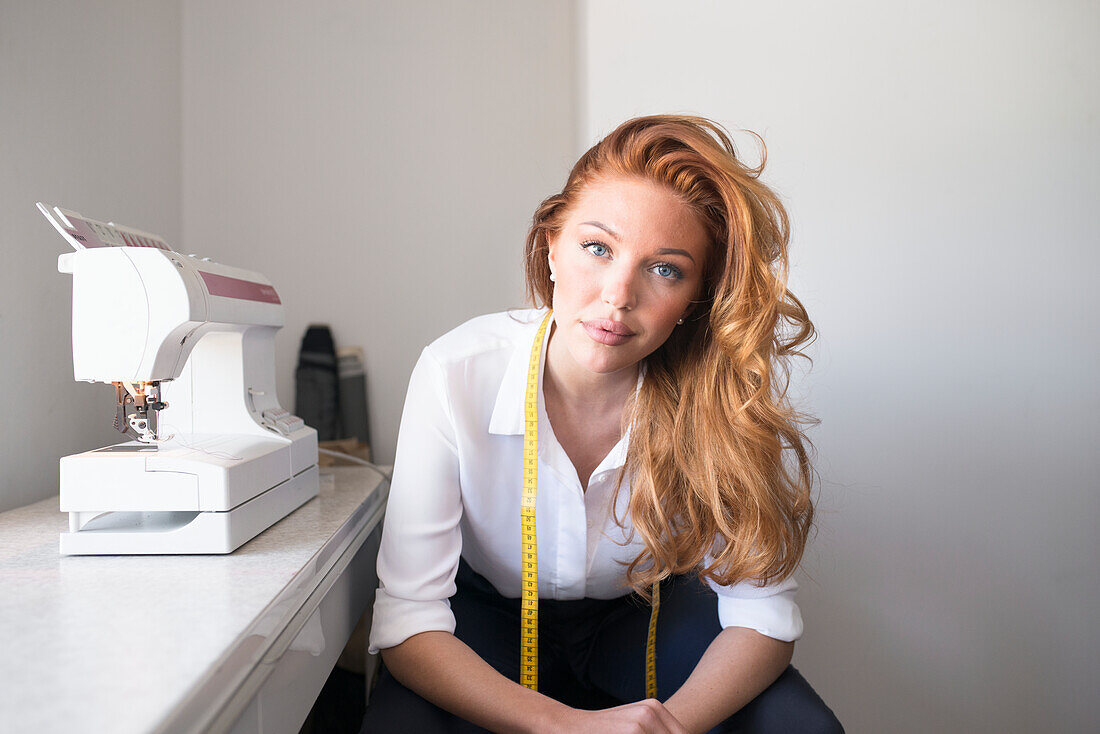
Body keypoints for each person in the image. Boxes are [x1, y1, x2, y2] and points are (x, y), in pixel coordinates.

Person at [360, 115, 843, 733]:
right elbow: (408, 621)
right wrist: (561, 727)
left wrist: (668, 729)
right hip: (488, 620)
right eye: (597, 248)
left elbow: (764, 620)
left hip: (644, 617)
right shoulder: (455, 372)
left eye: (664, 269)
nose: (618, 295)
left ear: (696, 297)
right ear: (551, 247)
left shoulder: (723, 397)